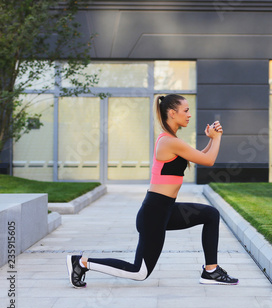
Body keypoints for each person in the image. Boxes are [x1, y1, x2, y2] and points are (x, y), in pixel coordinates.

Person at [66, 94, 238, 288]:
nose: (189, 115)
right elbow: (209, 161)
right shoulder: (169, 141)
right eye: (186, 110)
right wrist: (217, 138)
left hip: (165, 210)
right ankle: (81, 263)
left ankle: (211, 271)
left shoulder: (172, 140)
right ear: (173, 113)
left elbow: (200, 156)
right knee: (139, 272)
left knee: (210, 214)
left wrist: (211, 141)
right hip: (154, 213)